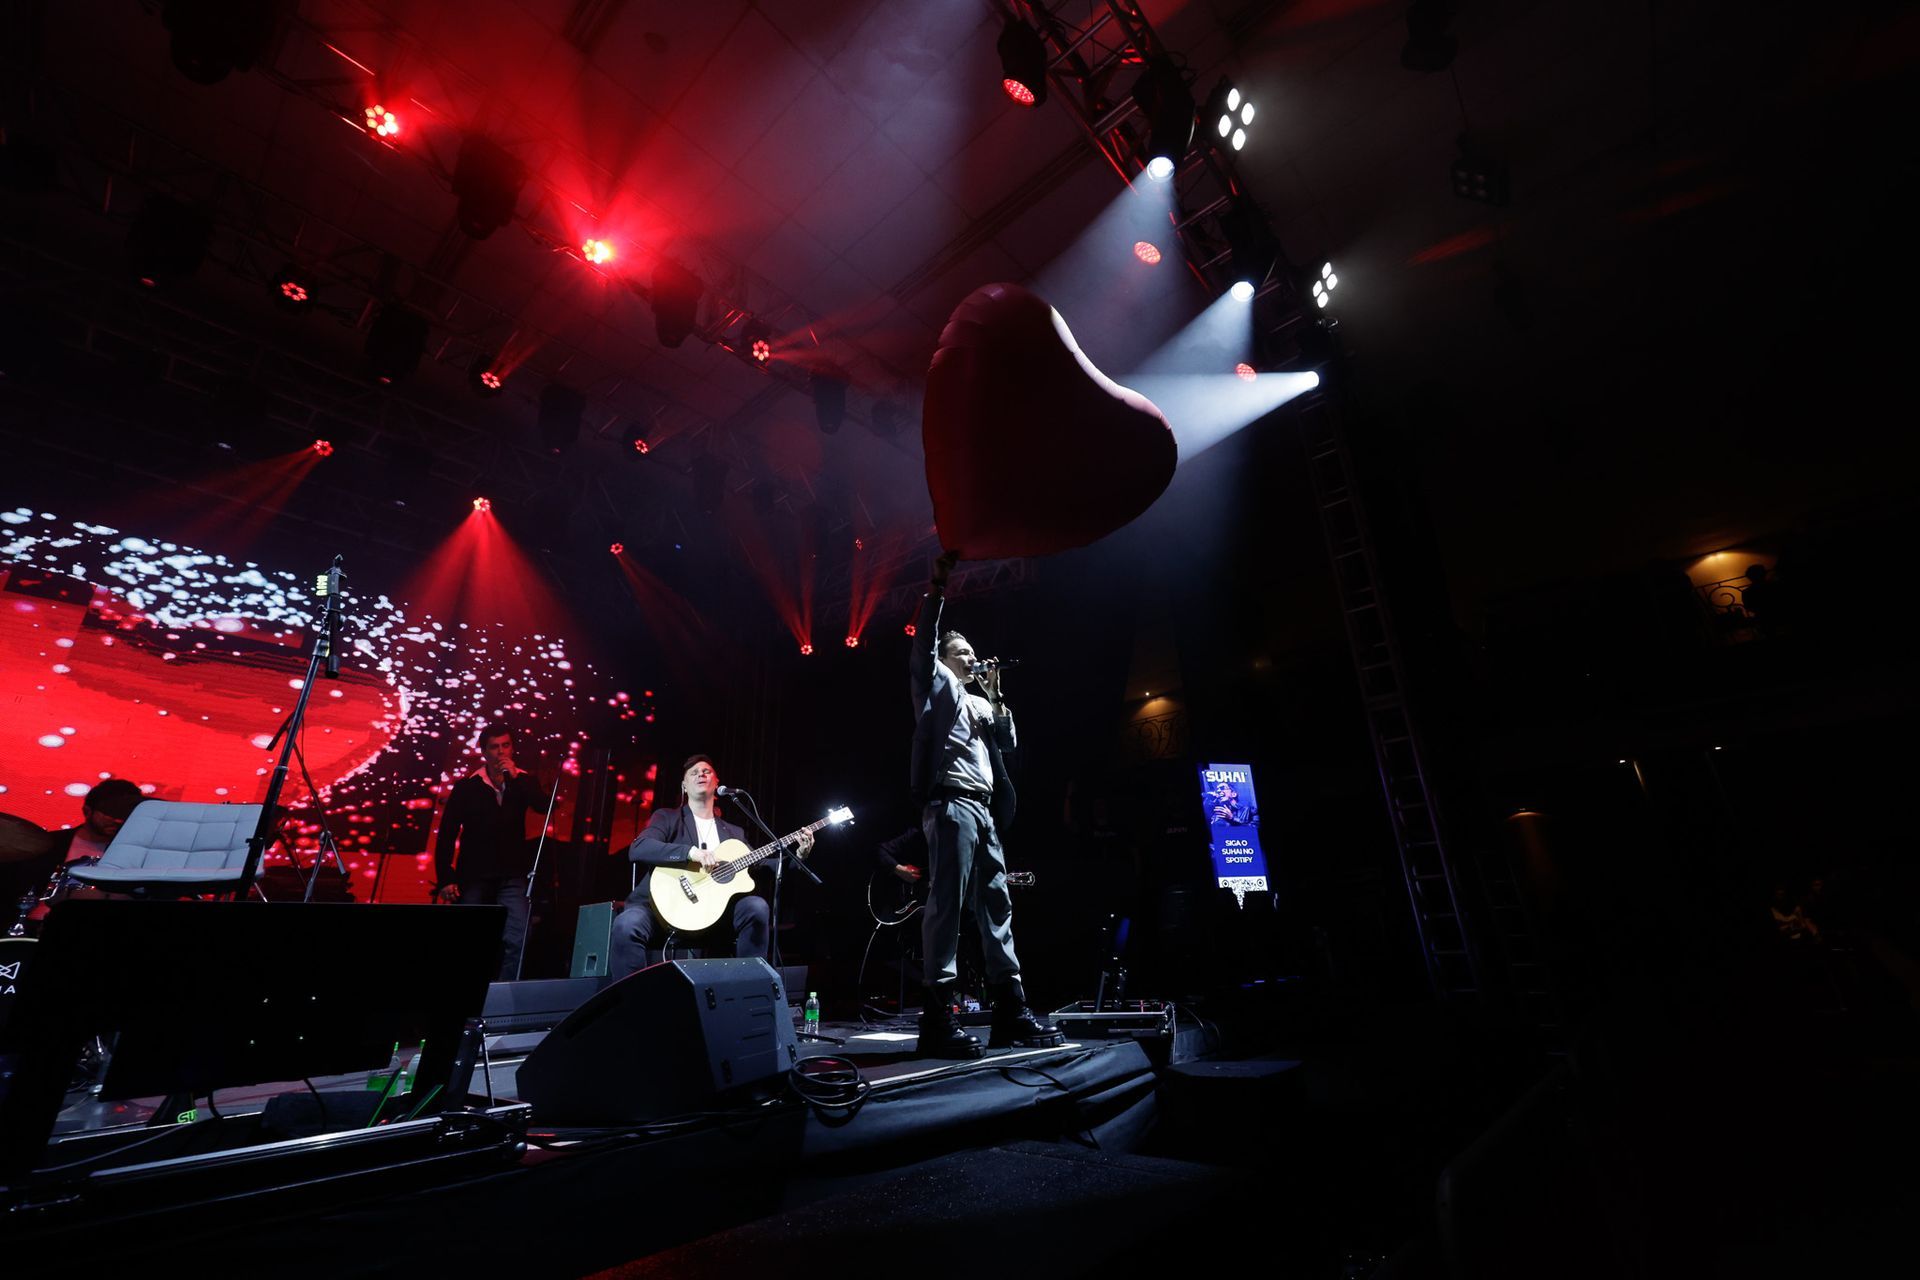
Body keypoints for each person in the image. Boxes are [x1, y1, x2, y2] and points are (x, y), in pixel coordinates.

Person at [908, 550, 1062, 1057]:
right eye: (964, 653)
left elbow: (1009, 744)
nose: (973, 659)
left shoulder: (978, 700)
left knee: (997, 905)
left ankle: (1010, 1011)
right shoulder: (936, 684)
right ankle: (938, 1015)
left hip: (985, 810)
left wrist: (995, 695)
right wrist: (937, 590)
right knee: (947, 906)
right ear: (946, 657)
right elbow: (925, 641)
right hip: (951, 804)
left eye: (974, 653)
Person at [611, 754, 812, 979]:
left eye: (707, 771)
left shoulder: (734, 833)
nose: (701, 774)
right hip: (662, 911)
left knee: (756, 907)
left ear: (717, 783)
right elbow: (639, 848)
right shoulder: (667, 817)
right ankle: (633, 999)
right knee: (626, 924)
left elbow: (762, 867)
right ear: (684, 785)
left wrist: (798, 857)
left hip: (715, 918)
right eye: (694, 772)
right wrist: (691, 853)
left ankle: (748, 987)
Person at [433, 723, 546, 981]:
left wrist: (516, 778)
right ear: (484, 752)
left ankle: (504, 994)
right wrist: (445, 877)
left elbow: (543, 806)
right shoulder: (467, 787)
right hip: (474, 874)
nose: (501, 752)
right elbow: (447, 833)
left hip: (512, 873)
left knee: (519, 936)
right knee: (470, 938)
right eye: (494, 747)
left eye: (506, 745)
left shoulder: (523, 781)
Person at [5, 778, 144, 922]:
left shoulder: (136, 853)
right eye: (111, 812)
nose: (118, 820)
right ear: (87, 811)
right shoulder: (48, 844)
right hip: (40, 923)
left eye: (126, 814)